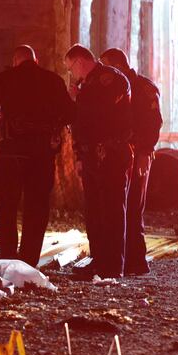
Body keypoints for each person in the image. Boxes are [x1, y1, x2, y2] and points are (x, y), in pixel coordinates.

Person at [0, 45, 74, 267]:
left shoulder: (7, 78)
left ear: (16, 60)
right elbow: (71, 113)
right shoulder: (53, 81)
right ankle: (29, 262)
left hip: (12, 154)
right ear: (35, 59)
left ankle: (6, 259)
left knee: (6, 209)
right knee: (37, 210)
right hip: (42, 156)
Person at [65, 44, 132, 279]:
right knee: (94, 211)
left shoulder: (110, 79)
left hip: (111, 154)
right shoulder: (87, 86)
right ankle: (98, 259)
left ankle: (113, 265)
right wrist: (80, 156)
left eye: (71, 68)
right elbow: (78, 126)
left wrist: (77, 99)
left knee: (112, 210)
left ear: (80, 62)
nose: (72, 75)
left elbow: (97, 117)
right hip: (92, 155)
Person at [99, 48, 163, 276]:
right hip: (120, 154)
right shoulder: (115, 88)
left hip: (139, 154)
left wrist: (146, 151)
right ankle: (122, 260)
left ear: (117, 66)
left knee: (134, 207)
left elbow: (153, 122)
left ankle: (136, 261)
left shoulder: (143, 89)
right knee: (119, 207)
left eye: (106, 67)